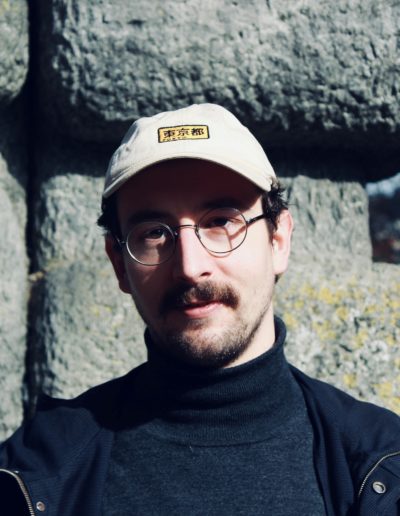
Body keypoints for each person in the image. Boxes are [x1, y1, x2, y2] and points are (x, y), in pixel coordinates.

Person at [1, 104, 399, 516]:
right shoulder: (29, 472)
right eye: (154, 233)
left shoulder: (386, 461)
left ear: (278, 240)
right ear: (119, 264)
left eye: (221, 221)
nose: (190, 267)